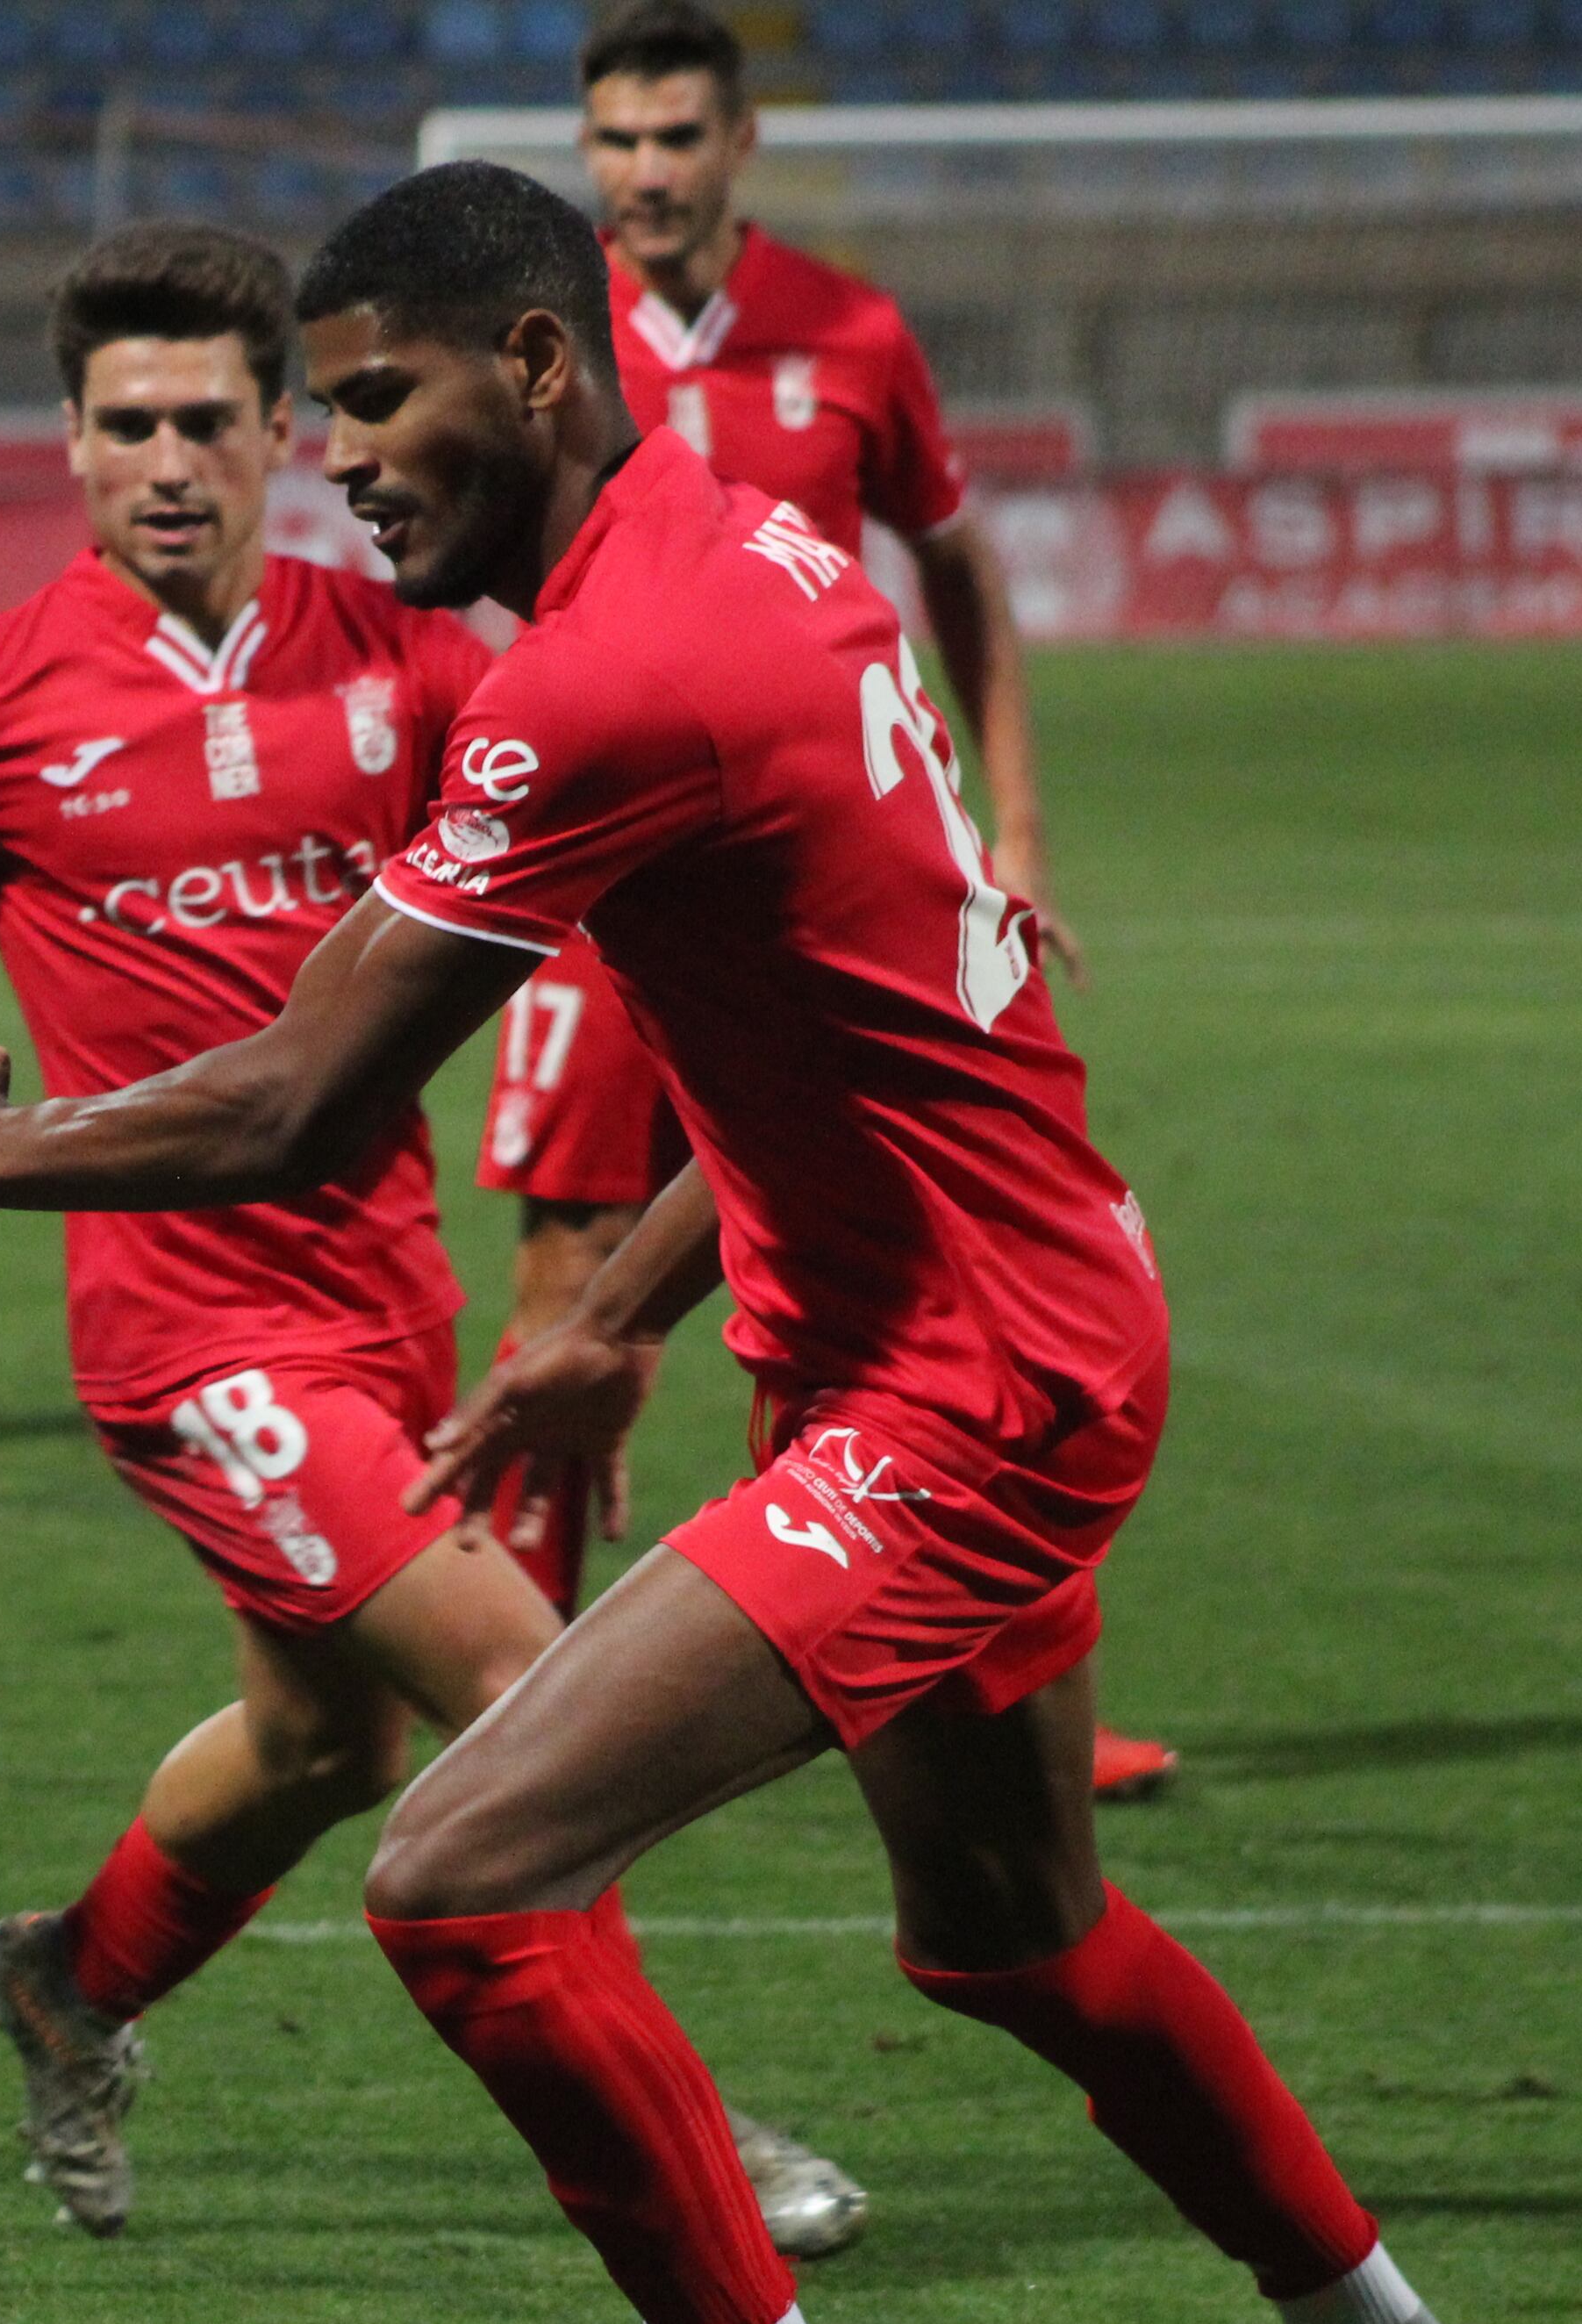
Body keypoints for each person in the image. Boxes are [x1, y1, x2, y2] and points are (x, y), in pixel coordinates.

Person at [0, 164, 1519, 2324]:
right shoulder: (754, 550)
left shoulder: (603, 674)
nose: (347, 458)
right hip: (970, 1315)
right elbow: (847, 1014)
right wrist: (611, 1304)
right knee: (1012, 1934)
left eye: (377, 401)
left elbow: (301, 1094)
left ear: (533, 361)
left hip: (972, 1380)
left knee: (463, 1868)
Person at [0, 226, 860, 2262]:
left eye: (209, 421)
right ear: (66, 446)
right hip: (185, 1334)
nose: (168, 460)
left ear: (282, 431)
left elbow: (625, 878)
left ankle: (68, 1981)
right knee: (533, 1689)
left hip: (384, 1298)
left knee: (324, 1741)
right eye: (124, 423)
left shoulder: (415, 662)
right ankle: (699, 2143)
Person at [499, 0, 1177, 1802]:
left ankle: (1009, 1673)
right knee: (569, 1275)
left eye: (673, 138)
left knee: (947, 1246)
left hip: (817, 907)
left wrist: (1010, 833)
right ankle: (532, 1676)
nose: (641, 172)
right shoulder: (546, 342)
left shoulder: (853, 335)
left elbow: (957, 577)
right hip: (607, 894)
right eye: (615, 140)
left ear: (738, 146)